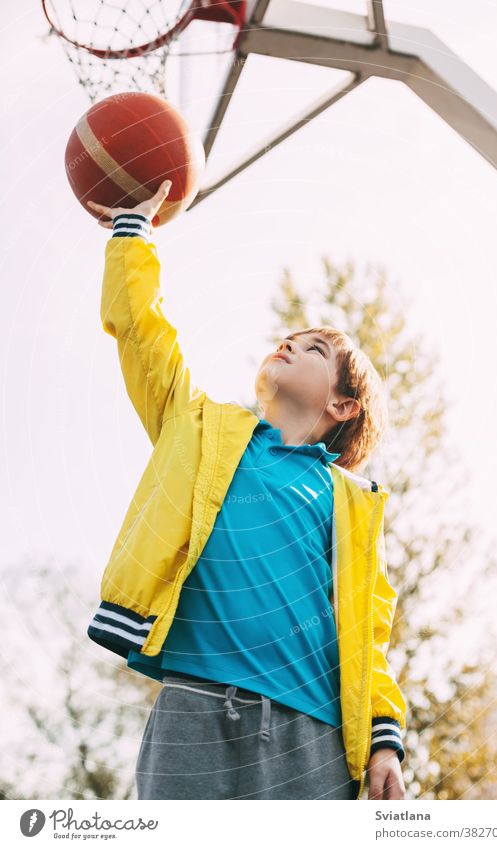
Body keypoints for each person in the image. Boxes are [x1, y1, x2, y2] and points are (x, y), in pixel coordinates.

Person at [86, 181, 407, 801]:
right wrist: (131, 232)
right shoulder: (199, 429)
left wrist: (384, 739)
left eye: (313, 349)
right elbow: (142, 334)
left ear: (343, 403)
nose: (288, 343)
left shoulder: (349, 500)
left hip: (314, 735)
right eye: (288, 338)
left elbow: (367, 631)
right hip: (195, 710)